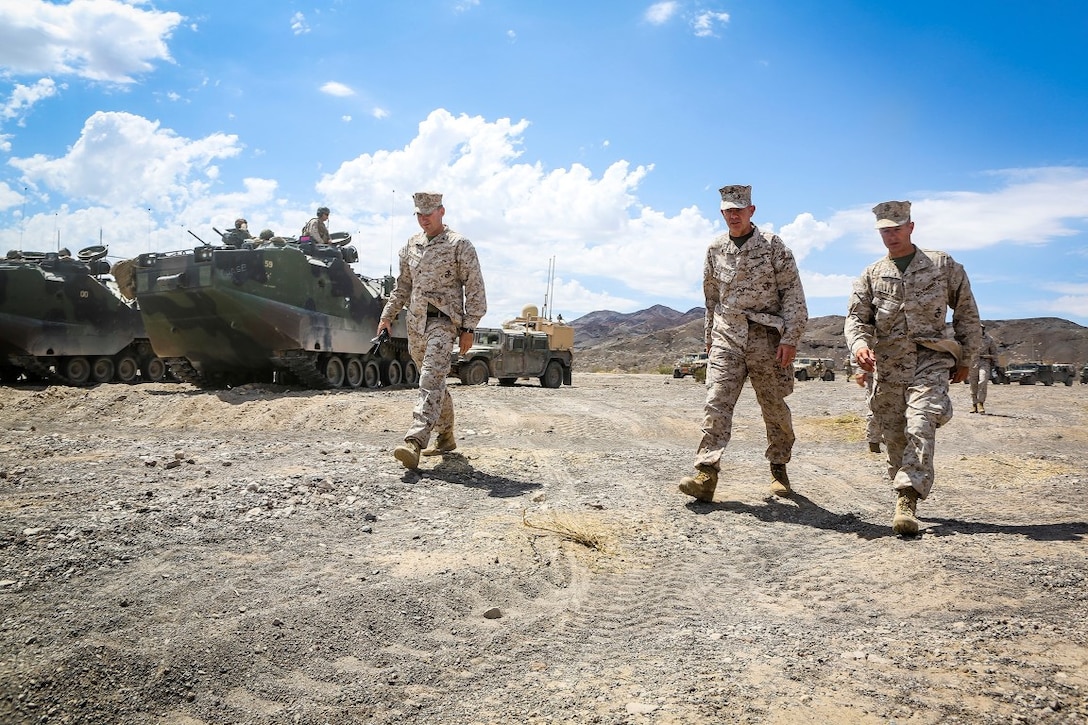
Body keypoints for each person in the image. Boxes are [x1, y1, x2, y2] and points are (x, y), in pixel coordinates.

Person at [845, 200, 980, 535]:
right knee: (893, 433)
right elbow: (856, 319)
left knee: (920, 421)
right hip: (888, 363)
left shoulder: (941, 264)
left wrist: (967, 358)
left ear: (911, 227)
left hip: (931, 357)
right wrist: (860, 346)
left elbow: (966, 313)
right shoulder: (872, 274)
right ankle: (902, 481)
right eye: (884, 231)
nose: (890, 236)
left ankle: (907, 498)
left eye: (896, 228)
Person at [678, 184, 808, 502]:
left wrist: (791, 337)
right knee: (716, 401)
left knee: (774, 408)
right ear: (722, 212)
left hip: (767, 337)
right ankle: (706, 473)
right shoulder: (715, 250)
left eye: (739, 209)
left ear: (751, 211)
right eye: (728, 210)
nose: (733, 215)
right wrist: (710, 338)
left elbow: (793, 293)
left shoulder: (774, 246)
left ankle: (779, 468)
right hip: (727, 335)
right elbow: (711, 299)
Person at [377, 192, 487, 469]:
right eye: (418, 214)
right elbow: (402, 286)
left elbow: (475, 288)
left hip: (444, 323)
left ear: (442, 211)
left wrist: (469, 327)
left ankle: (414, 442)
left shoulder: (459, 245)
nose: (423, 219)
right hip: (416, 324)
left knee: (428, 378)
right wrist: (387, 316)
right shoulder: (410, 246)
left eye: (428, 213)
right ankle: (446, 435)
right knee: (435, 381)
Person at [971, 324, 998, 414]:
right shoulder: (970, 339)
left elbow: (994, 353)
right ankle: (974, 404)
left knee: (983, 381)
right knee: (973, 384)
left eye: (980, 329)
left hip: (984, 362)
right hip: (972, 363)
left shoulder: (989, 339)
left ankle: (980, 403)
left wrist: (992, 360)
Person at [855, 369, 883, 453]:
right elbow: (861, 357)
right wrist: (860, 371)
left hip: (900, 375)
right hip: (874, 374)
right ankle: (874, 442)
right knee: (875, 409)